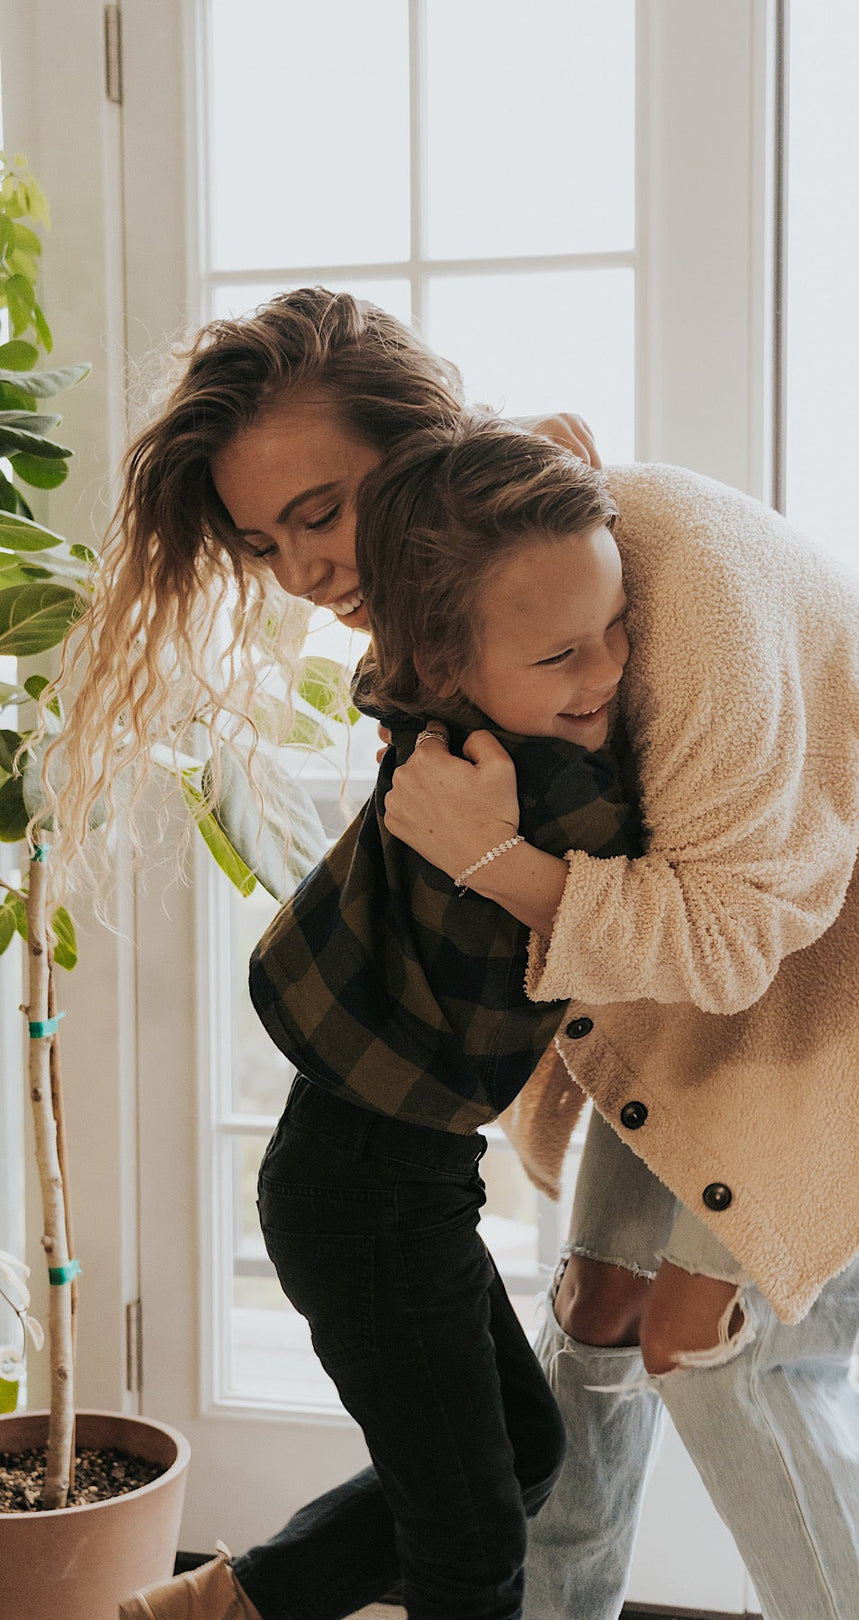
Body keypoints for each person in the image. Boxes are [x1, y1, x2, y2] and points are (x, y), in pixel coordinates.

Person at [47, 289, 859, 1620]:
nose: (301, 573)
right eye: (263, 543)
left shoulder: (657, 580)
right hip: (710, 908)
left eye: (320, 511)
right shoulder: (469, 603)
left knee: (731, 1356)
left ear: (422, 442)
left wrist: (501, 864)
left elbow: (716, 922)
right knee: (592, 1326)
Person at [122, 415, 646, 1620]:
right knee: (468, 1544)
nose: (611, 671)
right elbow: (691, 922)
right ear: (452, 662)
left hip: (386, 1168)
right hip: (364, 1185)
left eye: (618, 629)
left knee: (521, 1453)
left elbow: (399, 652)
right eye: (564, 655)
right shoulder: (547, 793)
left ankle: (229, 1604)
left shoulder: (427, 700)